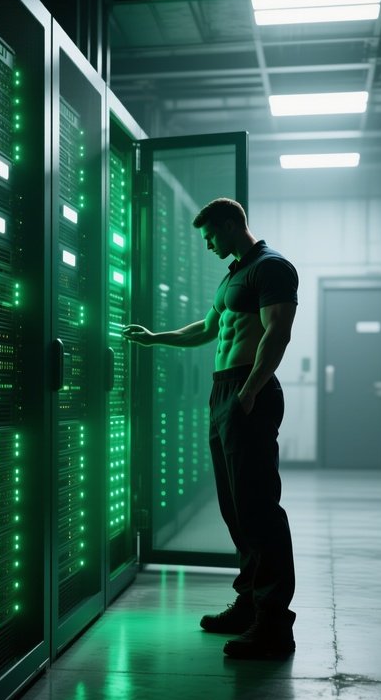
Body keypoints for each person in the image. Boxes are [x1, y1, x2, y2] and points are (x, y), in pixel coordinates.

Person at [122, 197, 298, 659]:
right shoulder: (231, 276)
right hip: (223, 391)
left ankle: (275, 623)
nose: (206, 243)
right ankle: (249, 604)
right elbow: (207, 328)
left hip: (248, 391)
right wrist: (156, 338)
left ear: (229, 225)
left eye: (210, 234)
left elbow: (277, 332)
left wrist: (250, 391)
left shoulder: (272, 268)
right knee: (234, 507)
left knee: (259, 507)